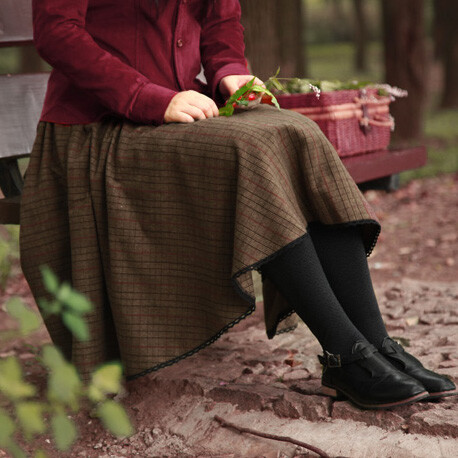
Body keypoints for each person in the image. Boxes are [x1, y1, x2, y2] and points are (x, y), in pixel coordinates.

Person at [20, 0, 456, 410]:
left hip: (187, 115)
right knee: (251, 151)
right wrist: (150, 97)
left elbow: (220, 19)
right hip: (100, 130)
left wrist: (229, 71)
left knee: (300, 134)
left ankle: (375, 345)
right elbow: (57, 31)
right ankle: (345, 354)